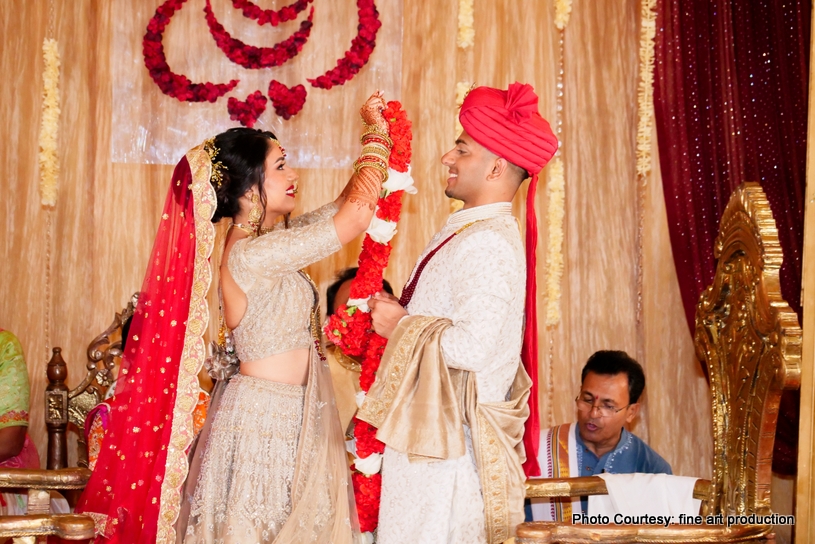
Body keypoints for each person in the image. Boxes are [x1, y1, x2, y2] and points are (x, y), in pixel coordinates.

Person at [76, 93, 392, 543]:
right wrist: (377, 134)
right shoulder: (253, 254)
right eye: (281, 166)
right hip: (264, 422)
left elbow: (343, 206)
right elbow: (357, 215)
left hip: (286, 416)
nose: (294, 174)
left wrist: (375, 147)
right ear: (248, 190)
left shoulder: (271, 245)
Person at [360, 83, 558, 544]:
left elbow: (472, 346)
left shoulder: (487, 242)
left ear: (495, 166)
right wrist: (403, 312)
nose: (447, 157)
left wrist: (399, 325)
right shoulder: (472, 231)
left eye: (462, 150)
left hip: (452, 455)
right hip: (433, 439)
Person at [529, 350, 672, 521]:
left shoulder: (652, 471)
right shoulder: (536, 451)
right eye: (587, 400)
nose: (594, 413)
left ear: (631, 412)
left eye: (608, 406)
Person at [324, 268, 393, 434]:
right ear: (331, 322)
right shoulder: (317, 367)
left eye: (372, 307)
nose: (364, 318)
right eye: (352, 309)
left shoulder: (412, 363)